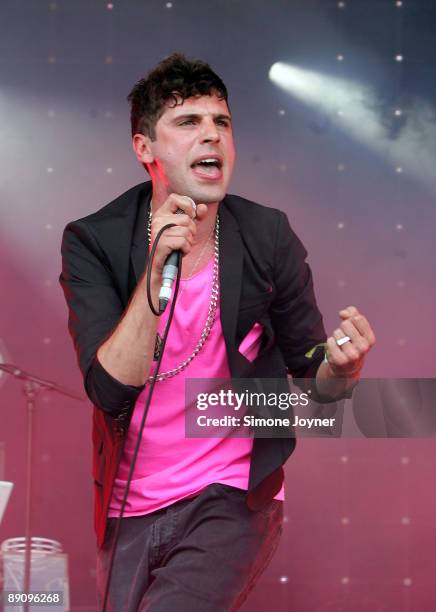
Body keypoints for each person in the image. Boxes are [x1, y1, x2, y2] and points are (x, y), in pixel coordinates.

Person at [60, 53, 376, 611]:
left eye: (221, 122)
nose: (212, 136)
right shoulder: (93, 242)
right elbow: (108, 390)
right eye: (189, 123)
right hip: (128, 506)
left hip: (231, 494)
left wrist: (340, 368)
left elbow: (314, 380)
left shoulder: (266, 235)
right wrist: (155, 276)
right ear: (145, 149)